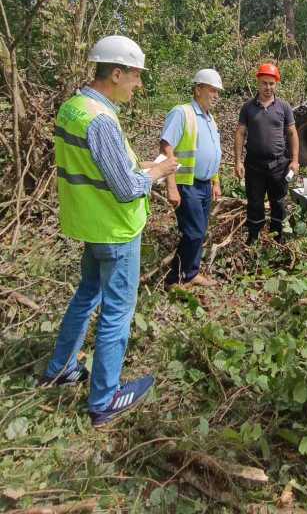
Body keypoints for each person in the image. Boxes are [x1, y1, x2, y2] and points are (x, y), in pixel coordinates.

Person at [42, 35, 178, 428]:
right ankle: (105, 399)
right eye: (135, 77)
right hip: (116, 230)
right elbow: (125, 187)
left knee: (86, 296)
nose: (138, 85)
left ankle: (60, 367)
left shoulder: (73, 108)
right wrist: (159, 171)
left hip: (91, 224)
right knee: (118, 312)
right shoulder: (100, 119)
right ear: (115, 73)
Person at [160, 69, 224, 289]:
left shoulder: (210, 118)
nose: (216, 96)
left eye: (218, 92)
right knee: (193, 231)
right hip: (187, 183)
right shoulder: (182, 113)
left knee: (200, 230)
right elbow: (167, 147)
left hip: (204, 185)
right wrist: (171, 186)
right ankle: (174, 279)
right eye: (212, 90)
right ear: (198, 89)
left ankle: (191, 273)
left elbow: (211, 152)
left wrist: (216, 181)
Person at [234, 62, 299, 244]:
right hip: (254, 165)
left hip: (279, 164)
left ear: (276, 84)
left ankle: (278, 236)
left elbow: (292, 133)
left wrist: (295, 160)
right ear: (258, 82)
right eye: (264, 83)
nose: (268, 87)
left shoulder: (284, 107)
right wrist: (238, 162)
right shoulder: (248, 107)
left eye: (271, 83)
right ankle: (254, 236)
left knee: (278, 201)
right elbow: (240, 132)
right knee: (254, 202)